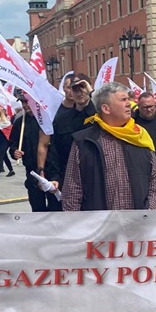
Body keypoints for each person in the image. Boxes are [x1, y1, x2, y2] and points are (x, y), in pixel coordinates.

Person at [62, 82, 156, 211]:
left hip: (137, 221)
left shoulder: (140, 136)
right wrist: (75, 221)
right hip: (99, 222)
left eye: (128, 99)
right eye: (123, 100)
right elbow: (72, 190)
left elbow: (155, 180)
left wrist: (147, 210)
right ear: (106, 109)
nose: (129, 104)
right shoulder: (84, 142)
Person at [39, 73, 95, 210]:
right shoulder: (62, 119)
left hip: (95, 176)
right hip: (70, 176)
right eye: (75, 89)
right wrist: (55, 177)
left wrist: (91, 92)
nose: (79, 93)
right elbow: (55, 152)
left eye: (82, 87)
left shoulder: (100, 114)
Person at [9, 95, 51, 211]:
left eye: (27, 102)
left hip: (50, 169)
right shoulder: (20, 123)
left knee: (54, 205)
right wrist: (14, 152)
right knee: (36, 206)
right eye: (23, 102)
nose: (25, 105)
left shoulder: (47, 120)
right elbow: (13, 144)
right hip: (31, 171)